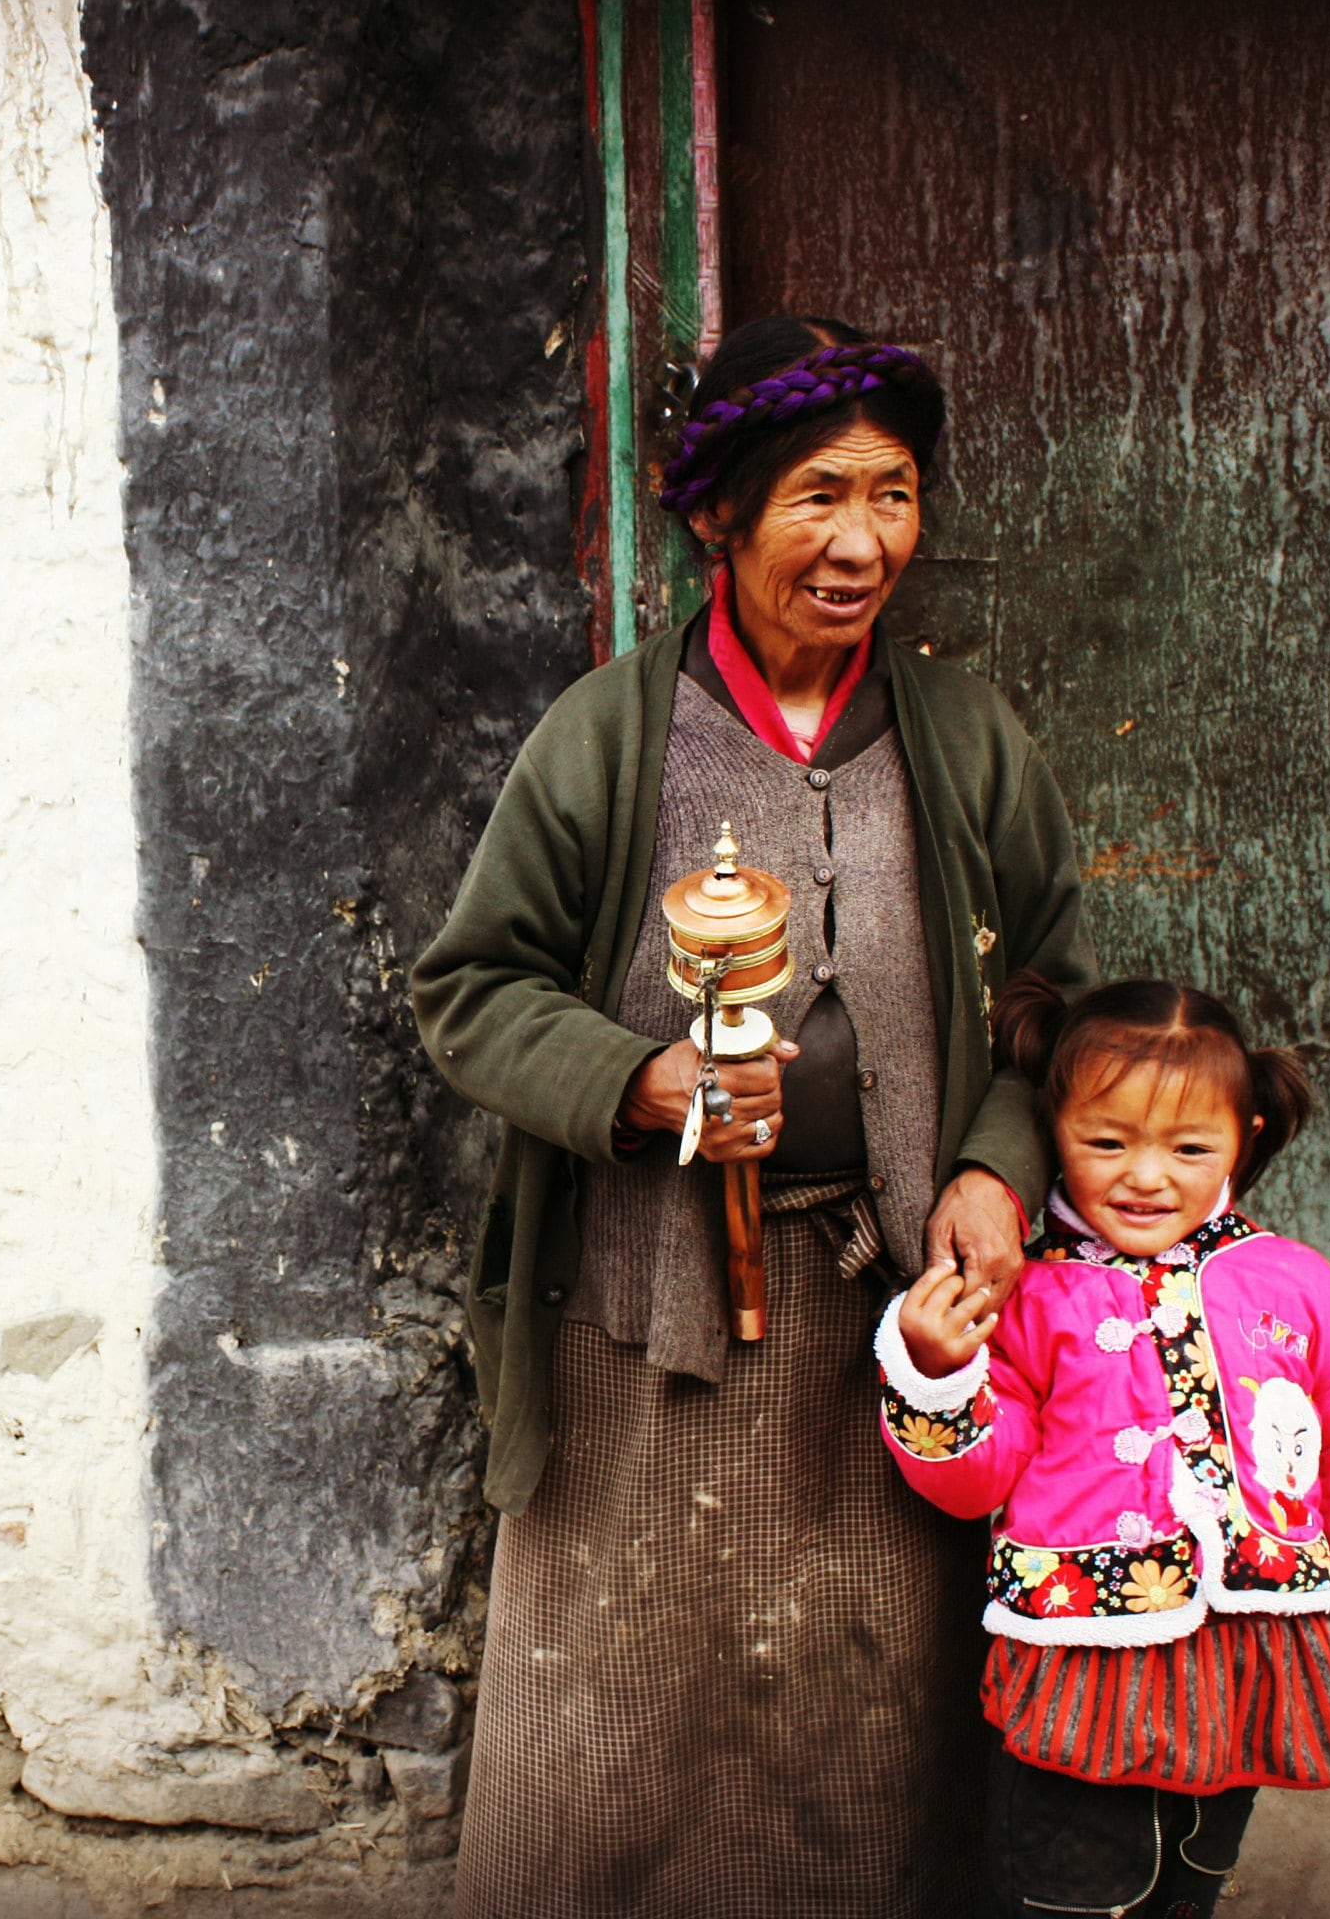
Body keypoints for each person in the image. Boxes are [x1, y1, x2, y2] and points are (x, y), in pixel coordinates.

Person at [412, 315, 1094, 1916]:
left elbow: (1052, 995)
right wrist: (642, 1082)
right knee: (622, 1711)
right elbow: (473, 989)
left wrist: (996, 1172)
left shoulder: (967, 737)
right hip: (647, 1313)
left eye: (896, 495)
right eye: (820, 498)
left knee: (861, 1714)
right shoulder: (608, 736)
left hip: (894, 1311)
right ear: (721, 513)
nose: (865, 543)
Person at [881, 972, 1330, 1918]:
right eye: (1106, 1142)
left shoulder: (1298, 1285)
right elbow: (973, 1485)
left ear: (1246, 1137)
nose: (1146, 1177)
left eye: (1189, 1147)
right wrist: (936, 1372)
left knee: (1191, 1883)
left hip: (1249, 1661)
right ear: (1050, 1136)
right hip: (1080, 1657)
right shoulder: (1031, 1298)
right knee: (1062, 1894)